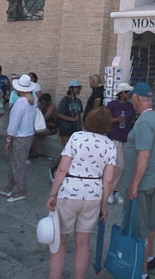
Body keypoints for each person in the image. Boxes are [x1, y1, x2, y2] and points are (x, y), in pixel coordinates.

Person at [46, 107, 116, 279]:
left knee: (59, 243)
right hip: (93, 195)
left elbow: (62, 169)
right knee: (83, 244)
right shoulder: (110, 145)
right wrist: (104, 206)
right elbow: (108, 180)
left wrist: (53, 194)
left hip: (70, 192)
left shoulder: (76, 137)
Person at [124, 81, 155, 279]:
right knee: (150, 224)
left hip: (141, 185)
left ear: (137, 98)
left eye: (132, 97)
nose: (131, 100)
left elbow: (144, 154)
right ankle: (150, 259)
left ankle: (142, 273)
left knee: (140, 229)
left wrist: (134, 184)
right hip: (152, 181)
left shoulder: (144, 123)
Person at [1, 74, 37, 203]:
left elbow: (14, 122)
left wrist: (8, 139)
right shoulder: (33, 100)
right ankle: (11, 186)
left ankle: (19, 190)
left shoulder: (20, 102)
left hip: (20, 136)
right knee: (17, 162)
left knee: (17, 164)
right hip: (28, 134)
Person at [106, 82, 135, 204]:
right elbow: (105, 119)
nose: (129, 94)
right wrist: (116, 120)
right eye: (127, 92)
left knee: (124, 167)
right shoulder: (112, 105)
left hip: (126, 138)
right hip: (115, 137)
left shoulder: (130, 106)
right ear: (121, 93)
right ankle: (110, 190)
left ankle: (116, 190)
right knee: (120, 166)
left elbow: (132, 120)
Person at [50, 81, 84, 181]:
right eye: (76, 87)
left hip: (75, 129)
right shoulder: (65, 100)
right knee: (67, 150)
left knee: (71, 151)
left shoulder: (78, 101)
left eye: (79, 88)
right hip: (65, 128)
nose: (78, 89)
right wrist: (72, 119)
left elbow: (79, 116)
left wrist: (80, 129)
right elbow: (59, 114)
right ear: (71, 88)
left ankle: (65, 170)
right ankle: (55, 168)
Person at [29, 93, 57, 158]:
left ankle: (33, 152)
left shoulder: (52, 107)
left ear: (48, 102)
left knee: (34, 134)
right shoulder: (43, 105)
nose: (42, 103)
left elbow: (44, 118)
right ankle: (30, 150)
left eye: (44, 102)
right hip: (43, 126)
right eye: (42, 101)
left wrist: (40, 108)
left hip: (51, 127)